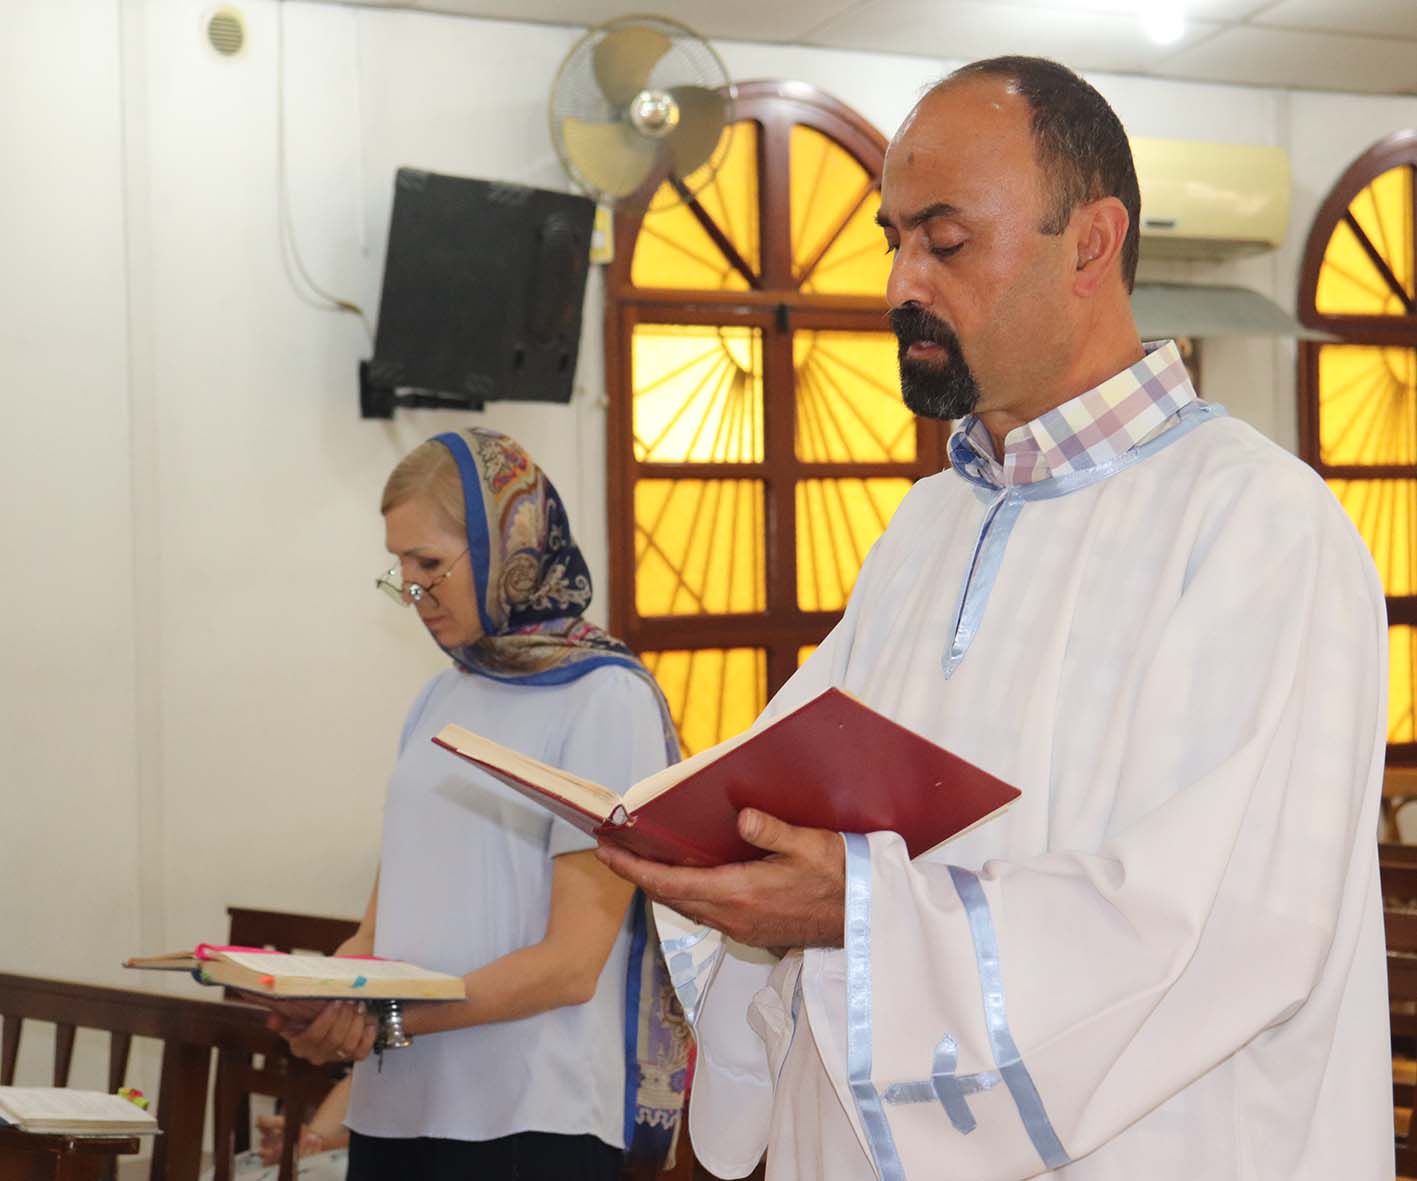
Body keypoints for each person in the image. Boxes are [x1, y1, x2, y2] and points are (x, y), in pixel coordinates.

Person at [597, 56, 1392, 1180]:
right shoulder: (931, 522)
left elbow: (1222, 923)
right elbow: (795, 782)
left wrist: (857, 912)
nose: (898, 283)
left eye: (946, 241)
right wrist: (708, 844)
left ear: (1091, 244)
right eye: (892, 240)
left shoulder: (1258, 524)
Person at [268, 427, 688, 1180]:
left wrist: (385, 1018)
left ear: (509, 545)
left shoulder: (604, 697)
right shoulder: (438, 698)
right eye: (400, 568)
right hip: (398, 1105)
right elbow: (380, 929)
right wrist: (323, 1006)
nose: (413, 592)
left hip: (533, 1114)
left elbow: (569, 966)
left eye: (429, 565)